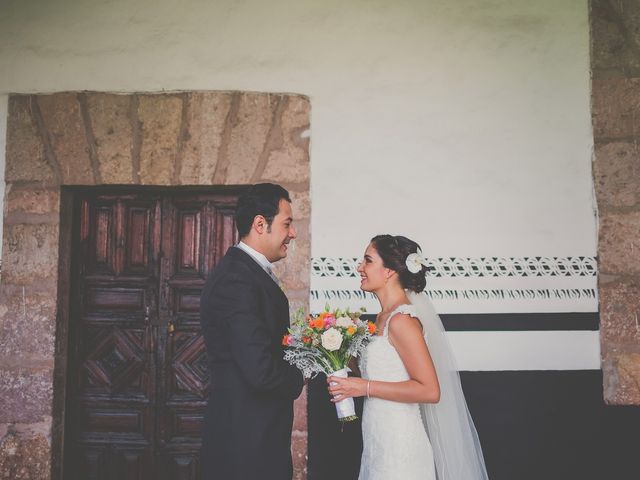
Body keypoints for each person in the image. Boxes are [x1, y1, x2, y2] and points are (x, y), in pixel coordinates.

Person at [327, 234, 489, 480]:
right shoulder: (381, 318)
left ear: (389, 270)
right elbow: (387, 373)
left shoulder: (401, 320)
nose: (360, 267)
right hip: (378, 440)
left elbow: (430, 391)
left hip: (400, 446)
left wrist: (364, 387)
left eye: (368, 261)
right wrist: (342, 358)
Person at [199, 183, 305, 480]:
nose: (293, 233)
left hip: (255, 438)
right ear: (261, 224)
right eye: (287, 224)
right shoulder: (238, 280)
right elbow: (260, 371)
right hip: (246, 447)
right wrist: (302, 372)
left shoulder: (246, 273)